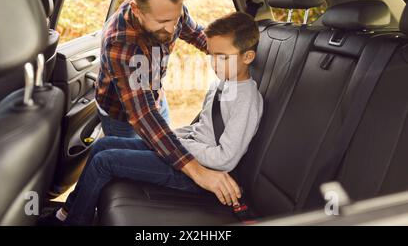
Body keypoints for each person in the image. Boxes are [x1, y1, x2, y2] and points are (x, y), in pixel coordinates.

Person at [40, 11, 263, 225]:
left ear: (248, 56)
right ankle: (65, 213)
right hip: (189, 155)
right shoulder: (221, 83)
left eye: (223, 58)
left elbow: (225, 159)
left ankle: (75, 222)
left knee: (104, 162)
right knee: (103, 145)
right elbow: (201, 129)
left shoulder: (247, 99)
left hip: (201, 176)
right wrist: (168, 140)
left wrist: (176, 147)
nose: (215, 64)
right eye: (212, 55)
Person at [92, 0, 245, 206]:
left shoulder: (170, 11)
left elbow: (199, 36)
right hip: (120, 113)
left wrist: (233, 56)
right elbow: (144, 117)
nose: (173, 28)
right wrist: (200, 173)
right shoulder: (121, 42)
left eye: (176, 18)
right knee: (126, 169)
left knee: (161, 152)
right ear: (137, 10)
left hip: (154, 98)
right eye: (163, 22)